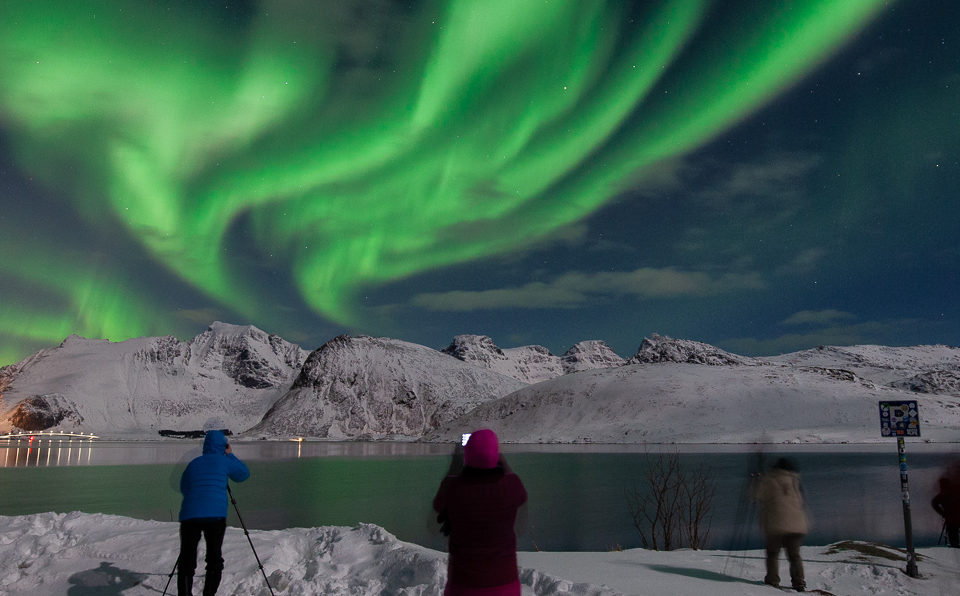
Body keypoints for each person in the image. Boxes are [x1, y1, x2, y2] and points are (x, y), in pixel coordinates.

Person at [433, 429, 528, 596]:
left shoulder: (454, 489)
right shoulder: (511, 487)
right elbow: (513, 480)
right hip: (505, 584)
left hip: (463, 585)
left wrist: (455, 463)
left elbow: (438, 504)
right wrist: (498, 456)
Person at [177, 430, 250, 596]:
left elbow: (184, 487)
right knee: (214, 558)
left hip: (190, 515)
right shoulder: (224, 461)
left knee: (187, 557)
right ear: (224, 446)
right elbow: (243, 475)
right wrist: (229, 455)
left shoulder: (194, 463)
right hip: (215, 515)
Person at [752, 457, 809, 592]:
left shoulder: (769, 480)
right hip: (797, 525)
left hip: (776, 525)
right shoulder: (795, 480)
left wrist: (755, 479)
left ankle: (772, 581)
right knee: (794, 556)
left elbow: (755, 495)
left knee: (772, 554)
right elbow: (800, 501)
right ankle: (799, 582)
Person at [931, 464, 960, 548]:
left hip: (951, 516)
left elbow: (934, 503)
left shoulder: (943, 494)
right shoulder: (954, 489)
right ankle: (955, 544)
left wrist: (943, 513)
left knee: (952, 530)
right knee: (952, 529)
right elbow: (934, 503)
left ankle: (955, 544)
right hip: (952, 516)